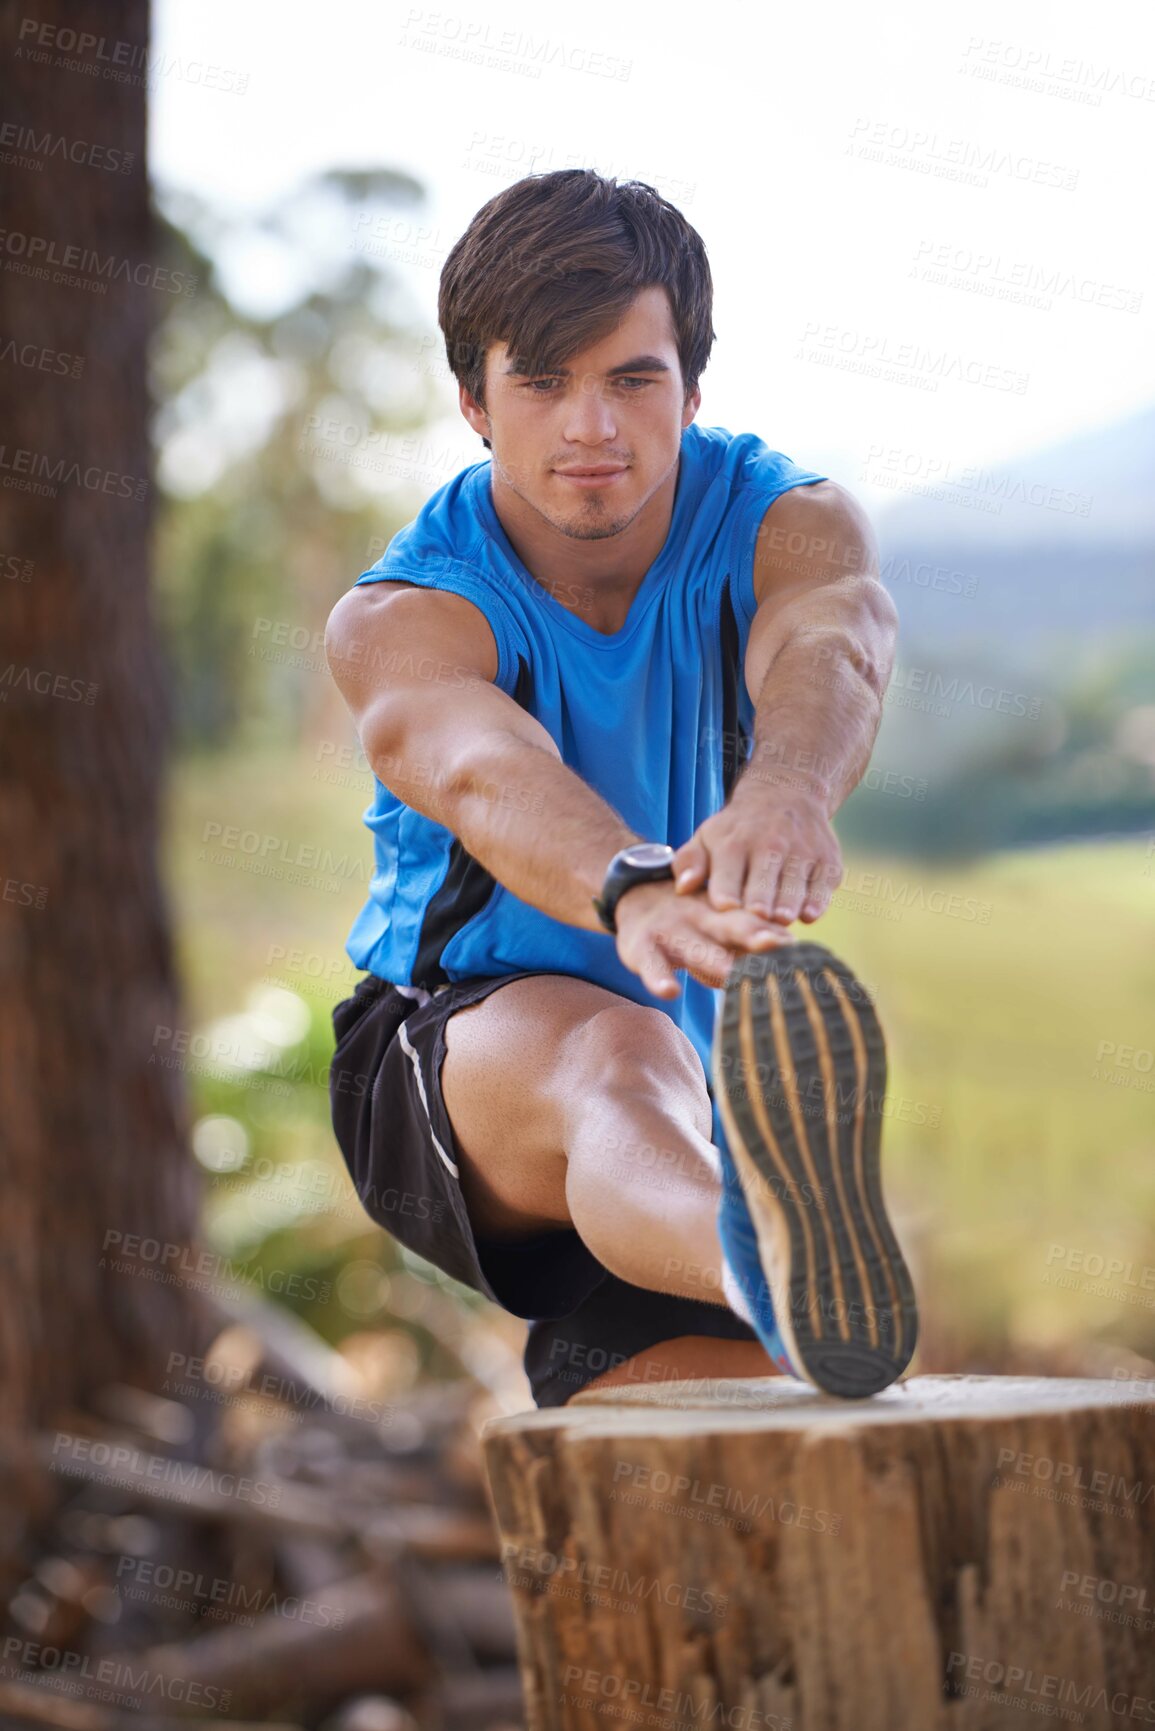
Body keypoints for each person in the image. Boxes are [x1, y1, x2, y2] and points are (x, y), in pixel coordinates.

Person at [325, 169, 918, 1409]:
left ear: (692, 388)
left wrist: (787, 792)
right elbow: (482, 770)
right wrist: (631, 883)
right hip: (454, 1051)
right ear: (475, 401)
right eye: (542, 383)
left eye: (631, 379)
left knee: (732, 1480)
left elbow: (832, 644)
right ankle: (774, 1263)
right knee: (614, 1054)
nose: (590, 427)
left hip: (685, 1122)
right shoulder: (410, 610)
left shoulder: (787, 523)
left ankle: (777, 1278)